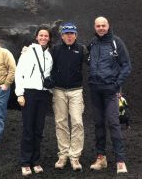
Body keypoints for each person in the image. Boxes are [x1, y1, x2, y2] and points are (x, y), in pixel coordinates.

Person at [88, 16, 132, 174]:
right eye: (98, 25)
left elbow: (127, 65)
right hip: (95, 90)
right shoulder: (92, 43)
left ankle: (120, 161)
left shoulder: (116, 42)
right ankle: (101, 158)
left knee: (113, 123)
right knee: (98, 124)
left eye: (103, 25)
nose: (101, 28)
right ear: (95, 27)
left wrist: (116, 84)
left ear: (108, 26)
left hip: (111, 90)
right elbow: (90, 62)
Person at [15, 26, 53, 177]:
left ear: (49, 38)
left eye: (46, 36)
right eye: (41, 35)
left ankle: (36, 161)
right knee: (28, 129)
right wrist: (20, 94)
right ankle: (25, 162)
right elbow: (19, 73)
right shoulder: (28, 52)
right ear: (36, 37)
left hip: (43, 95)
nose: (43, 38)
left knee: (39, 129)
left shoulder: (49, 55)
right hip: (29, 94)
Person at [51, 22, 85, 171]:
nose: (69, 36)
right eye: (66, 33)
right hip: (58, 91)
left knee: (77, 122)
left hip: (76, 91)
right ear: (62, 35)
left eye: (72, 33)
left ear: (76, 35)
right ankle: (63, 154)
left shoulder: (82, 49)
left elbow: (95, 64)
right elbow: (46, 65)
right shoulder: (55, 49)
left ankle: (75, 157)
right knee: (61, 122)